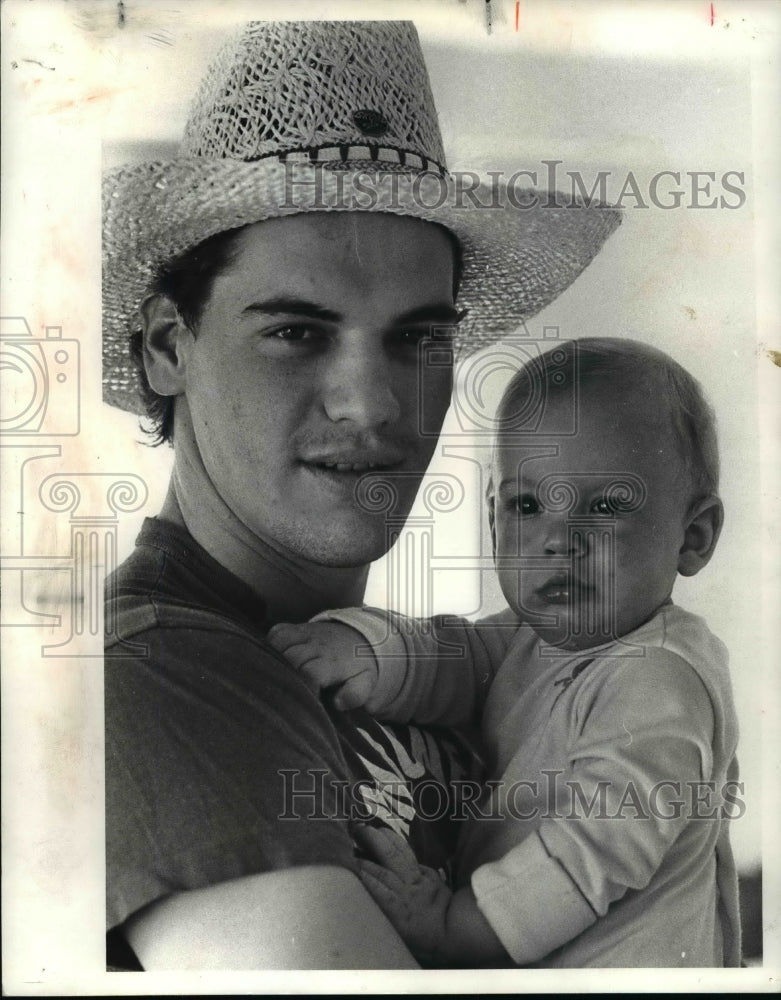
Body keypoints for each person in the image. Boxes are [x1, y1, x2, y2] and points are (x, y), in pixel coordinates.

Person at [102, 21, 620, 969]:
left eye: (417, 337)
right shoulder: (160, 671)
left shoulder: (419, 673)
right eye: (297, 333)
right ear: (166, 348)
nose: (374, 403)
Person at [270, 338, 742, 968]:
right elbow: (454, 656)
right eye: (527, 505)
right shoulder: (534, 636)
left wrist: (456, 925)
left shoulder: (658, 677)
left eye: (604, 507)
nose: (556, 539)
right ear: (493, 517)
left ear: (694, 536)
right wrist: (369, 654)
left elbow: (598, 845)